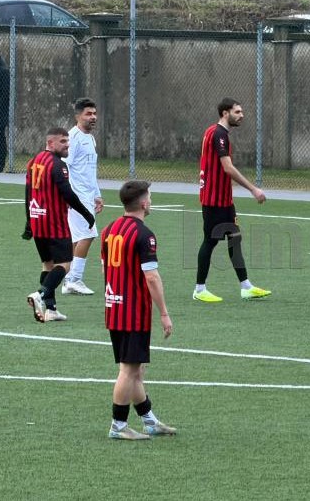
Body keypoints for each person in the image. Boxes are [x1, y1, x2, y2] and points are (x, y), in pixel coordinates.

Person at [101, 180, 176, 440]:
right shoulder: (145, 235)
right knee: (129, 370)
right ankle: (118, 426)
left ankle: (149, 420)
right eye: (151, 198)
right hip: (133, 313)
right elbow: (152, 278)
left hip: (115, 307)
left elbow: (104, 270)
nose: (151, 202)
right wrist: (164, 313)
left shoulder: (109, 230)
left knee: (136, 369)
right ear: (143, 203)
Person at [193, 98, 271, 303]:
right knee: (209, 242)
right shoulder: (218, 134)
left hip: (225, 201)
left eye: (241, 111)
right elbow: (227, 167)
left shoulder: (216, 132)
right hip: (214, 200)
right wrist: (254, 189)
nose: (241, 115)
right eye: (237, 111)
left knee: (234, 240)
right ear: (225, 113)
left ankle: (245, 286)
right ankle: (199, 289)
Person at [23, 127, 96, 323]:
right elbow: (68, 194)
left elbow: (28, 194)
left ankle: (51, 310)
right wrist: (87, 214)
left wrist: (29, 221)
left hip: (38, 222)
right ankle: (40, 294)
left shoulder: (34, 161)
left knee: (47, 265)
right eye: (62, 142)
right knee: (65, 264)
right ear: (51, 143)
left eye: (67, 141)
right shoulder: (58, 165)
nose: (67, 145)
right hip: (55, 224)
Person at [62, 98, 103, 296]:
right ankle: (74, 280)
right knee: (88, 234)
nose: (93, 117)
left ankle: (66, 278)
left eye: (94, 113)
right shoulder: (73, 138)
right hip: (76, 197)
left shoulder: (90, 138)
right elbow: (64, 168)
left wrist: (97, 194)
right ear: (78, 116)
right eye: (88, 114)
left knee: (77, 238)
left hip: (87, 195)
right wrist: (68, 197)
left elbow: (89, 170)